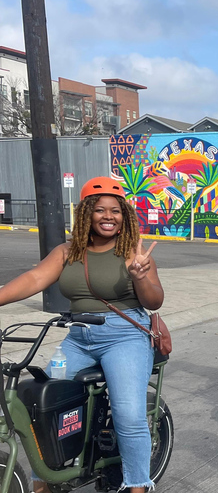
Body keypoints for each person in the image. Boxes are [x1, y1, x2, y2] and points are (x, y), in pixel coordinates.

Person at [0, 177, 164, 493]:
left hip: (124, 337)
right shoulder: (66, 251)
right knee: (40, 407)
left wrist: (140, 277)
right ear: (85, 213)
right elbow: (34, 278)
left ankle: (137, 485)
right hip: (78, 337)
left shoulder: (133, 252)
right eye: (99, 209)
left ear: (124, 215)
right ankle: (43, 483)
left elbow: (154, 301)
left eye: (115, 211)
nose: (108, 216)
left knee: (129, 416)